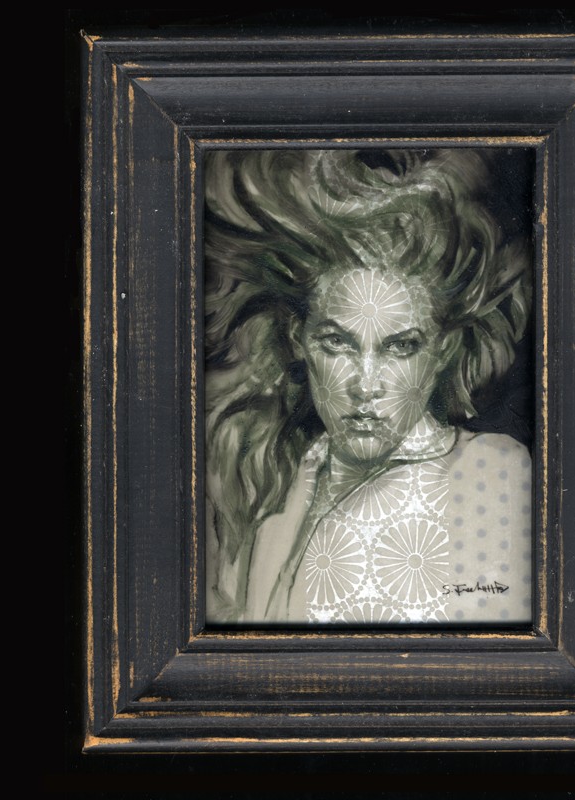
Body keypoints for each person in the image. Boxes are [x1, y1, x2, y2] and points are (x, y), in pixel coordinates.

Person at [204, 148, 533, 624]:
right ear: (299, 340)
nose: (365, 384)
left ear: (442, 350)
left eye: (401, 347)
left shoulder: (488, 473)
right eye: (337, 343)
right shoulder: (274, 478)